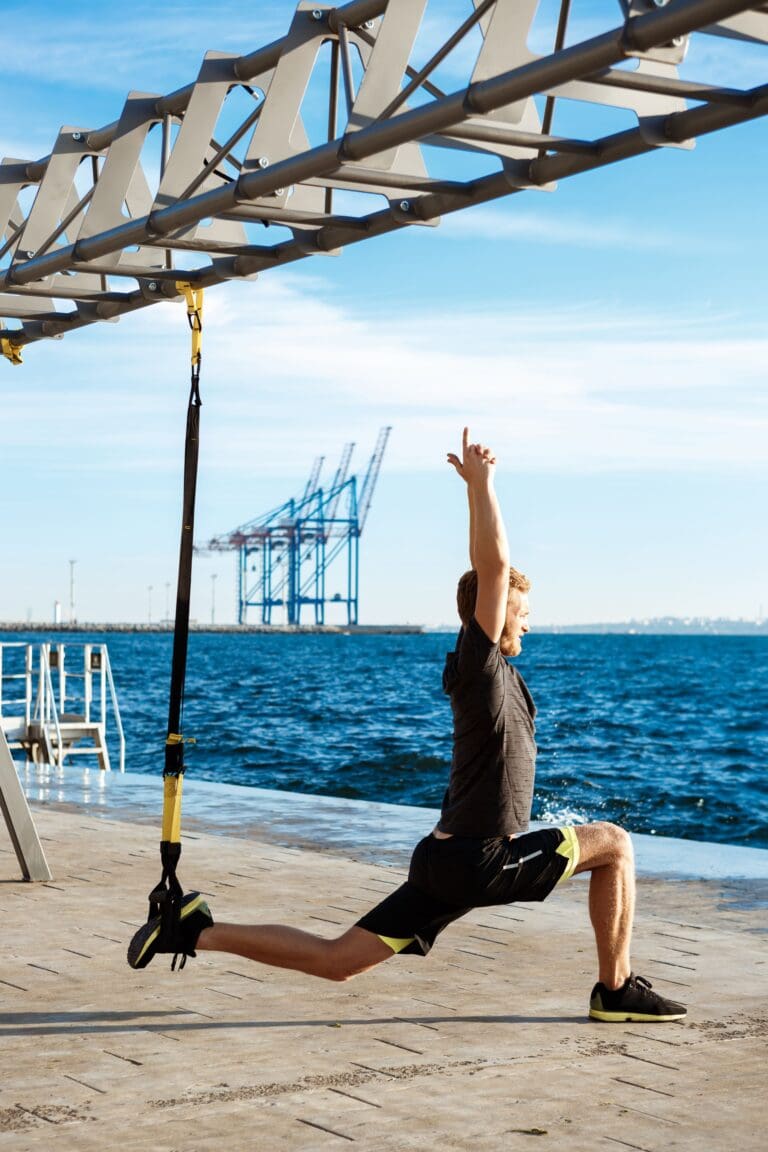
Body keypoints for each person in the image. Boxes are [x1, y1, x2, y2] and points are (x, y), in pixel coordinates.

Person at [128, 428, 686, 1023]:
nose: (528, 623)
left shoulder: (495, 678)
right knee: (616, 845)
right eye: (521, 613)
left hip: (442, 859)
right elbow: (492, 565)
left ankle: (190, 931)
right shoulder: (480, 666)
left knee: (338, 959)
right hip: (479, 861)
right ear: (491, 616)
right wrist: (482, 486)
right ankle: (616, 988)